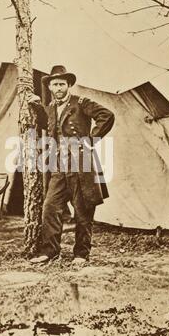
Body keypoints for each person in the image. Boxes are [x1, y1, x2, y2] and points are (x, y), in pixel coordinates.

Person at [27, 65, 115, 267]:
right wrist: (39, 107)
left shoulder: (81, 103)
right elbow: (47, 125)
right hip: (58, 168)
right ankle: (50, 251)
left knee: (82, 212)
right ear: (49, 87)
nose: (58, 88)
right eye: (54, 84)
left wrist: (90, 140)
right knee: (50, 208)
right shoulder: (50, 107)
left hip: (80, 166)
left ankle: (81, 254)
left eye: (61, 84)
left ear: (68, 85)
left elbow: (107, 115)